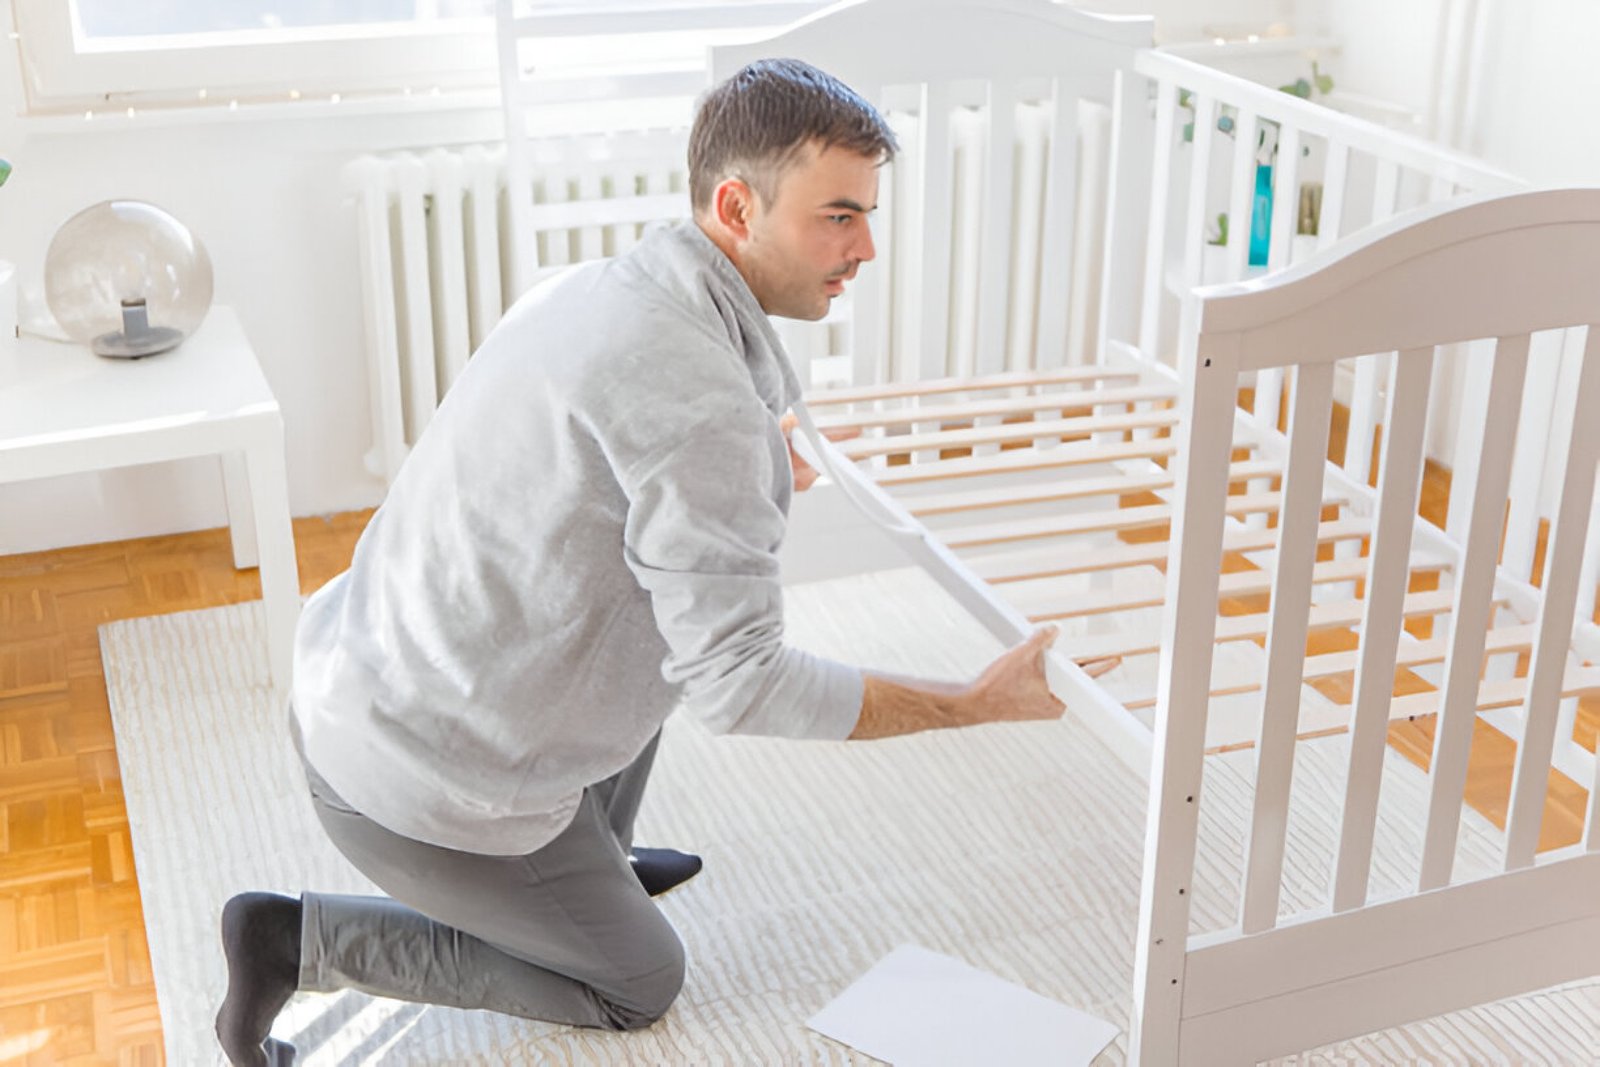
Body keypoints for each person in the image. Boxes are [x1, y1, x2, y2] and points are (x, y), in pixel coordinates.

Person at [215, 58, 1109, 1066]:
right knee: (636, 983)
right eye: (839, 216)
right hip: (417, 783)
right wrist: (969, 700)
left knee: (654, 603)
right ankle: (294, 940)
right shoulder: (694, 397)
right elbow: (740, 685)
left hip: (374, 674)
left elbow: (617, 468)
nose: (864, 247)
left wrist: (749, 465)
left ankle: (593, 858)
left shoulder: (606, 289)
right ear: (736, 205)